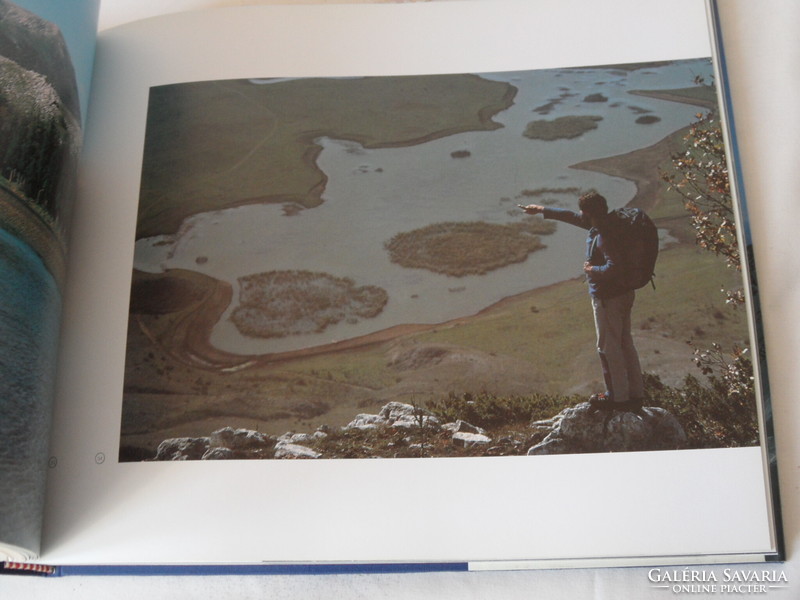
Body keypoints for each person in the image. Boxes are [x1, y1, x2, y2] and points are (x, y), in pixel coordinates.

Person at [522, 191, 645, 411]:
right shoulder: (610, 223)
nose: (580, 215)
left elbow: (614, 267)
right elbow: (571, 216)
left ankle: (617, 398)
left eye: (582, 211)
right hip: (625, 294)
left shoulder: (604, 235)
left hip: (608, 299)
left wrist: (592, 270)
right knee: (625, 344)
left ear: (588, 213)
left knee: (608, 348)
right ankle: (635, 394)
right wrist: (541, 209)